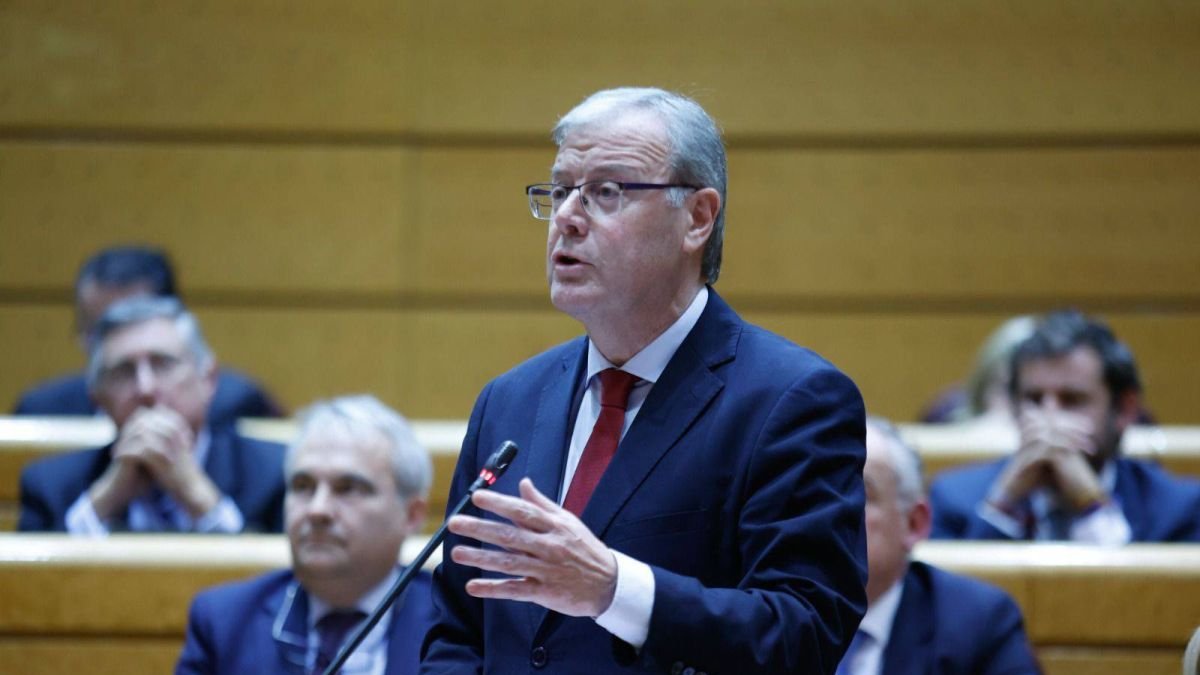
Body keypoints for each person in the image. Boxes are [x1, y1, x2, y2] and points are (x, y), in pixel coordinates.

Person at [421, 88, 868, 674]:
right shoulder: (509, 401)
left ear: (697, 218)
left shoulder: (792, 401)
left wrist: (617, 589)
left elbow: (803, 631)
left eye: (606, 192)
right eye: (560, 190)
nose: (567, 217)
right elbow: (458, 629)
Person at [176, 395, 436, 674]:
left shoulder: (453, 622)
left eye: (347, 488)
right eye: (302, 486)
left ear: (411, 515)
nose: (317, 509)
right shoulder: (224, 622)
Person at [18, 296, 285, 534]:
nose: (145, 388)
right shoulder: (50, 485)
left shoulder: (273, 473)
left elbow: (279, 574)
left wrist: (201, 500)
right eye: (123, 371)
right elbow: (33, 573)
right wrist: (103, 503)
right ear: (98, 397)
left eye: (163, 364)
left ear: (208, 379)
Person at [930, 310, 1200, 543]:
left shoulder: (1180, 510)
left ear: (1124, 409)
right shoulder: (953, 500)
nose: (1049, 418)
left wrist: (1093, 506)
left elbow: (1156, 589)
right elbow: (954, 589)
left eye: (1072, 400)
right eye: (1034, 399)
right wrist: (1004, 507)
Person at [843, 417, 1038, 675]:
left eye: (858, 493)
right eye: (816, 496)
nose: (828, 515)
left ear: (914, 523)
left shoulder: (979, 623)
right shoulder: (787, 609)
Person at [12, 244, 282, 425]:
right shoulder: (39, 413)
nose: (144, 386)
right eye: (99, 332)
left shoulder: (238, 405)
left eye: (136, 327)